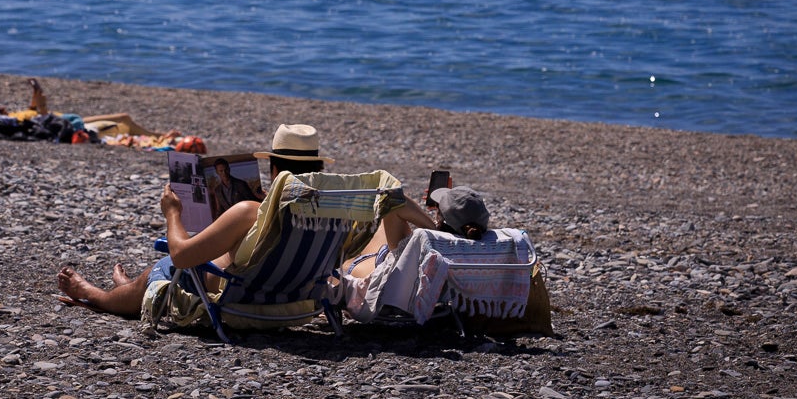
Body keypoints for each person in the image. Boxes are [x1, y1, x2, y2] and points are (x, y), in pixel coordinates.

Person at [56, 124, 333, 316]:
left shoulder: (249, 211)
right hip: (294, 300)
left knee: (164, 266)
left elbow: (181, 257)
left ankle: (97, 295)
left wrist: (173, 213)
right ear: (318, 167)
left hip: (241, 298)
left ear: (274, 169)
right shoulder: (332, 209)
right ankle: (127, 289)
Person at [341, 185, 489, 283]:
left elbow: (393, 198)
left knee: (343, 260)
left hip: (375, 273)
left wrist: (434, 228)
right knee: (378, 224)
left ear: (441, 219)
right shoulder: (488, 245)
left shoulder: (425, 243)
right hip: (390, 260)